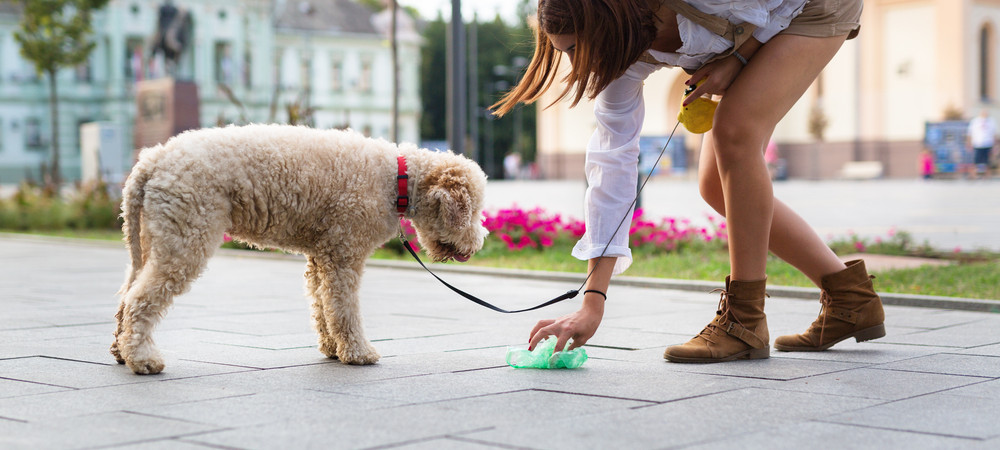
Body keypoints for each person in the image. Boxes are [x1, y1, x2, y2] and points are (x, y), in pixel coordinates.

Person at [491, 0, 885, 363]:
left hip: (809, 6)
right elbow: (611, 166)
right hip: (753, 25)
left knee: (735, 129)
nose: (578, 66)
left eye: (578, 49)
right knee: (715, 186)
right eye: (565, 53)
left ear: (609, 24)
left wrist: (741, 57)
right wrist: (592, 303)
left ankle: (744, 322)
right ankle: (851, 300)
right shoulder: (622, 59)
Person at [967, 109, 997, 179]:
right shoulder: (975, 121)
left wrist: (995, 145)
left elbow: (994, 134)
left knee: (987, 161)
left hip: (988, 143)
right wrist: (969, 143)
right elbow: (970, 133)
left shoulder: (991, 121)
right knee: (975, 160)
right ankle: (973, 175)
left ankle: (987, 175)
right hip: (977, 143)